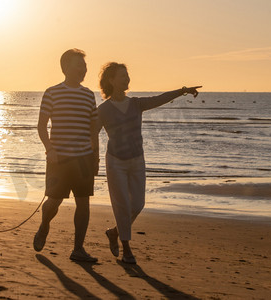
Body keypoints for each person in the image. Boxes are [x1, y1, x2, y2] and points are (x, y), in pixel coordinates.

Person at [97, 62, 201, 264]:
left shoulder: (136, 104)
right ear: (111, 80)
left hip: (137, 159)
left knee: (138, 203)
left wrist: (183, 91)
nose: (127, 79)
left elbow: (159, 99)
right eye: (122, 76)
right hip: (115, 161)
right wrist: (91, 158)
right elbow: (92, 133)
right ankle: (127, 249)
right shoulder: (104, 109)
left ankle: (114, 232)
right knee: (122, 205)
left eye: (128, 75)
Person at [34, 49, 99, 262]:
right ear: (66, 68)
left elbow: (93, 129)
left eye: (85, 66)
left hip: (83, 159)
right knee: (53, 202)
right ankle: (44, 226)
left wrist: (95, 157)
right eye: (78, 65)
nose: (83, 70)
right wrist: (49, 149)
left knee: (83, 203)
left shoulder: (89, 95)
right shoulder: (52, 92)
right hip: (58, 159)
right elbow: (42, 125)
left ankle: (78, 249)